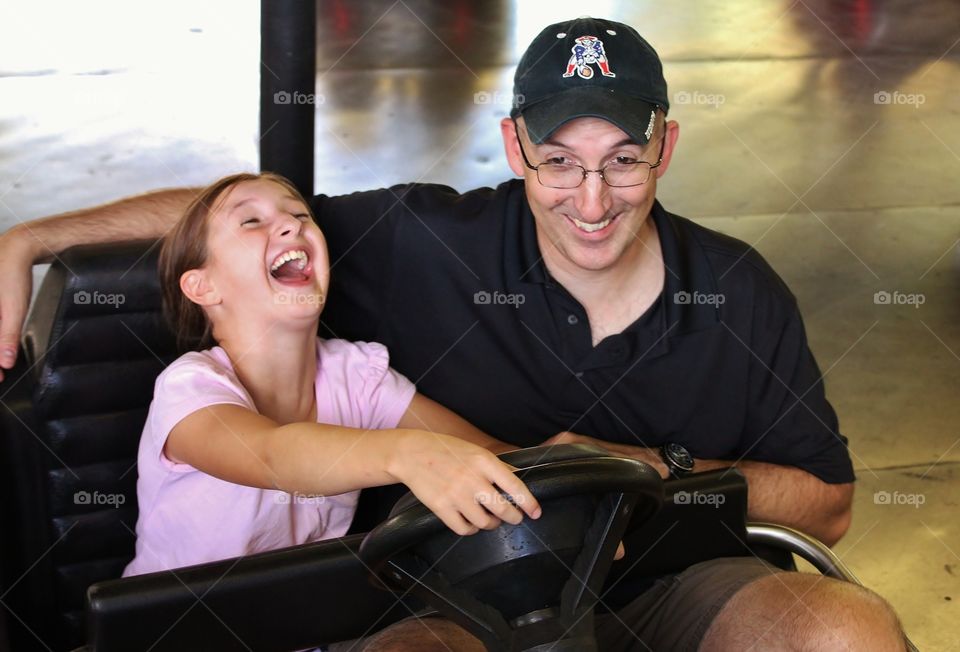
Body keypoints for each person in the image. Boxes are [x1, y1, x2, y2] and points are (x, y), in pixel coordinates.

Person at [0, 16, 907, 651]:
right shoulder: (419, 245)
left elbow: (826, 505)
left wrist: (642, 476)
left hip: (679, 590)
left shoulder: (739, 289)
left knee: (845, 631)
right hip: (462, 602)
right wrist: (32, 239)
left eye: (623, 162)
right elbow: (232, 218)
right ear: (515, 148)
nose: (592, 201)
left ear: (663, 148)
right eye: (560, 163)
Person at [122, 171, 540, 577]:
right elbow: (271, 455)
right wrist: (405, 454)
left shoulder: (357, 375)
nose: (290, 224)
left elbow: (489, 453)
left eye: (301, 215)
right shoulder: (189, 387)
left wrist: (569, 459)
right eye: (251, 220)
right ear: (202, 287)